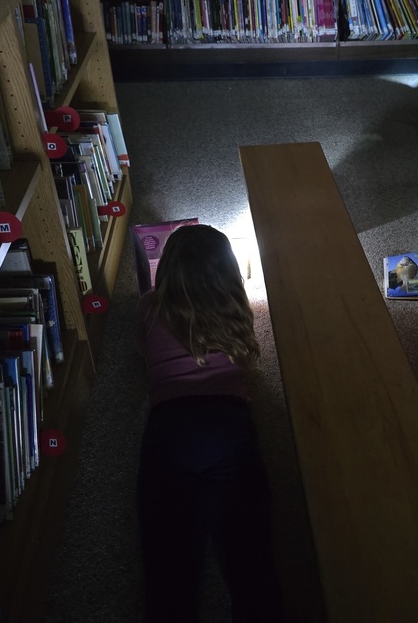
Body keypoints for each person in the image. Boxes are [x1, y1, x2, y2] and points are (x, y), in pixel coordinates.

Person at [134, 224, 283, 622]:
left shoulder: (148, 307)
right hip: (227, 426)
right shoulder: (235, 309)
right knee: (249, 558)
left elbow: (145, 359)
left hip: (168, 429)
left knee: (168, 567)